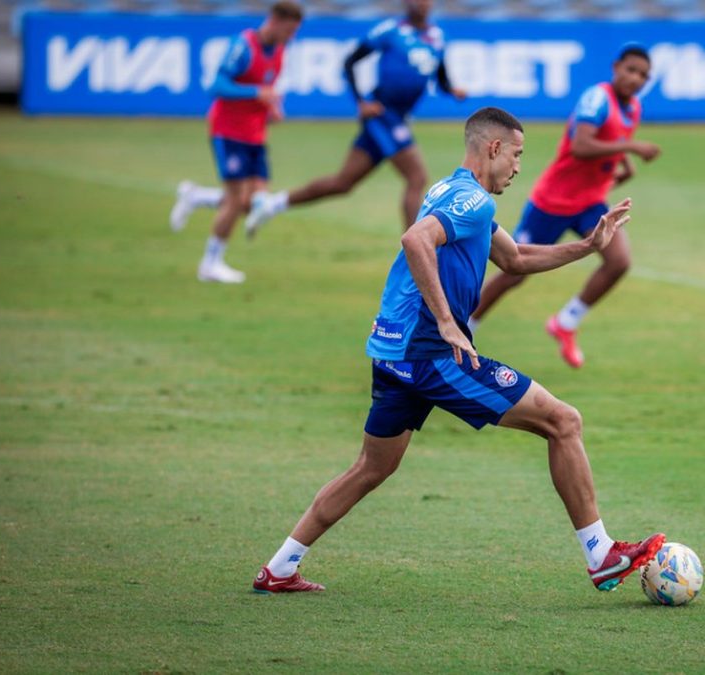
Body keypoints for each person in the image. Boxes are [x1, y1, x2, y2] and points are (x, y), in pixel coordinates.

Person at [252, 107, 664, 595]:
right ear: (493, 148)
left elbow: (515, 258)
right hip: (430, 355)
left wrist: (590, 245)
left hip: (393, 351)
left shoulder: (449, 190)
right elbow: (415, 239)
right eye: (516, 154)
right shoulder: (473, 201)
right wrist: (449, 321)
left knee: (372, 467)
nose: (517, 167)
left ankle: (279, 568)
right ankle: (601, 556)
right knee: (563, 421)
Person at [468, 44, 661, 368]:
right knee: (513, 271)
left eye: (643, 75)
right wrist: (632, 146)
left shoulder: (633, 108)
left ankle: (566, 322)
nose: (636, 79)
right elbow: (582, 145)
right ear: (616, 67)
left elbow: (609, 138)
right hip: (553, 201)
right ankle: (466, 326)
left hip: (590, 201)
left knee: (618, 261)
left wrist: (621, 161)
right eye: (631, 70)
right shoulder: (596, 99)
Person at [243, 0, 468, 237]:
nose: (421, 4)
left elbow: (439, 76)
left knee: (343, 183)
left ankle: (271, 204)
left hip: (399, 117)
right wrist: (362, 102)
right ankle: (415, 249)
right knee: (417, 177)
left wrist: (452, 90)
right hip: (383, 114)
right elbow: (351, 61)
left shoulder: (437, 36)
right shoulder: (390, 30)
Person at [168, 1, 303, 283]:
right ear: (275, 21)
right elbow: (216, 85)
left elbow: (266, 91)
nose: (292, 38)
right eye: (290, 31)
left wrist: (270, 109)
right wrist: (257, 93)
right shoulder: (243, 46)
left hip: (254, 133)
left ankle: (195, 197)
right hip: (227, 130)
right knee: (235, 200)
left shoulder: (278, 51)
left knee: (255, 202)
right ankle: (210, 264)